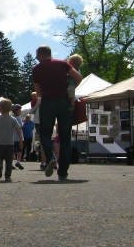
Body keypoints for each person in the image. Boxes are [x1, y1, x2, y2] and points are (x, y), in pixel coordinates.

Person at [32, 45, 82, 181]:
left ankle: (51, 158)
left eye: (37, 56)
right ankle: (63, 172)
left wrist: (47, 94)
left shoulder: (37, 69)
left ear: (42, 55)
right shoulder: (63, 64)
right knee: (65, 137)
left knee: (45, 134)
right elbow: (78, 77)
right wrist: (70, 89)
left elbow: (37, 91)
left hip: (48, 102)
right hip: (64, 102)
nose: (37, 58)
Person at [0, 98, 23, 182]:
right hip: (10, 144)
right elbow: (18, 130)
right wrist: (21, 141)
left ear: (0, 108)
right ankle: (7, 176)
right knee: (9, 161)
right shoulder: (13, 119)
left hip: (0, 143)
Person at [11, 103, 25, 169]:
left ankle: (15, 162)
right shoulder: (17, 118)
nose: (20, 111)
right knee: (18, 150)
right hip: (18, 137)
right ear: (15, 110)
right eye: (19, 110)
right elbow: (19, 128)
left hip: (14, 137)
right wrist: (21, 138)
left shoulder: (13, 117)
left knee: (16, 151)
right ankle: (17, 162)